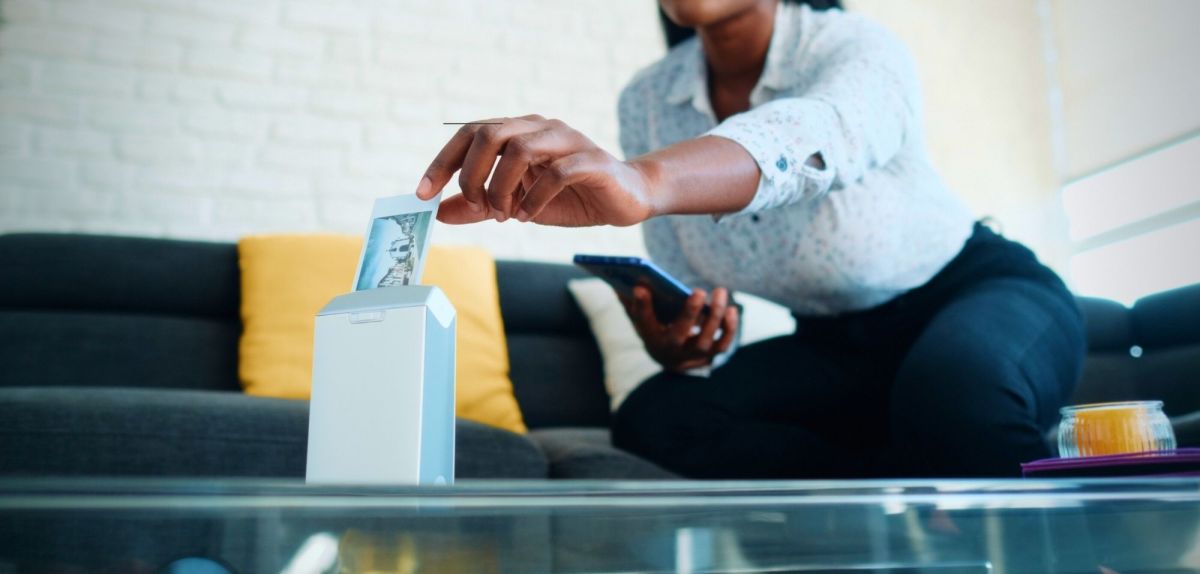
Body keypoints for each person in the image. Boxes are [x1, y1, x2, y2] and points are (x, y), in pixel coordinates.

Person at [414, 0, 1085, 477]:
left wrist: (644, 179)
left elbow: (825, 129)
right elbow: (690, 266)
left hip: (976, 292)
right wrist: (679, 338)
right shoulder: (648, 99)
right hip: (837, 346)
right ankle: (912, 490)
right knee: (659, 417)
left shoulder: (853, 46)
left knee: (953, 393)